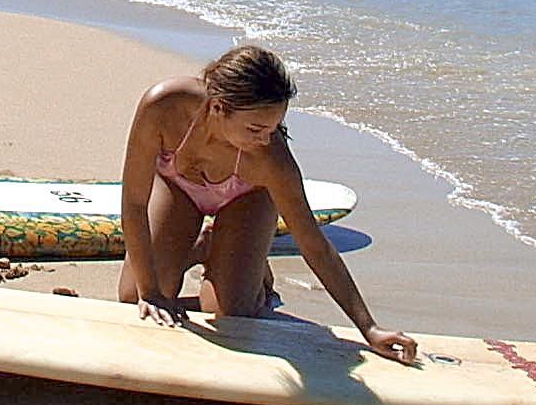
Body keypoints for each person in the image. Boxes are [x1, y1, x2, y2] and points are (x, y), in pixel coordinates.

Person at [117, 45, 416, 362]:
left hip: (246, 198)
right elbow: (134, 203)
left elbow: (314, 244)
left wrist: (368, 328)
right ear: (218, 108)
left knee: (230, 314)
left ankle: (254, 274)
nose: (265, 140)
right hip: (180, 188)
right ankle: (206, 249)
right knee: (134, 297)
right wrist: (150, 292)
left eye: (274, 128)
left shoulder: (272, 159)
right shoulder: (164, 105)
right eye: (256, 129)